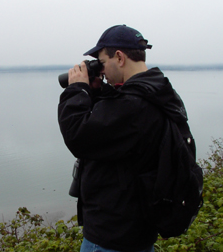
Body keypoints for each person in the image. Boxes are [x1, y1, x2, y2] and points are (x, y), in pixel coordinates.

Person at [58, 25, 190, 252]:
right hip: (136, 229)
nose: (101, 70)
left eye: (101, 61)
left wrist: (77, 90)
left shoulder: (133, 105)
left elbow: (78, 136)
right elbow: (116, 129)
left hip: (112, 236)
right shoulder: (158, 92)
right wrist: (97, 92)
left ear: (119, 57)